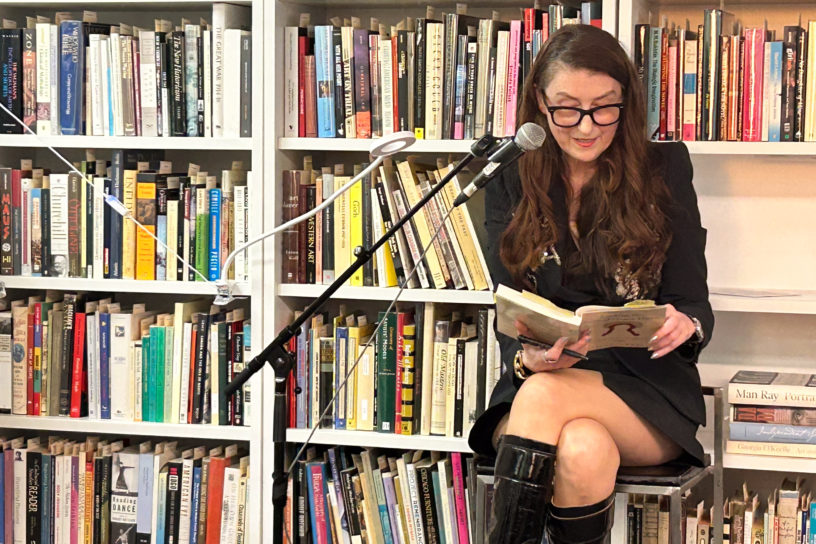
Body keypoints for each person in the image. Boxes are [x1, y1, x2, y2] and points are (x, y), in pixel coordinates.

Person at [468, 24, 714, 544]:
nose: (586, 126)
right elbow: (507, 307)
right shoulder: (511, 174)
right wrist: (526, 359)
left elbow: (694, 303)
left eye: (604, 107)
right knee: (581, 448)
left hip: (643, 393)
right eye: (567, 108)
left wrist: (683, 324)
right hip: (544, 377)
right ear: (539, 100)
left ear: (626, 101)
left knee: (540, 399)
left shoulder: (663, 168)